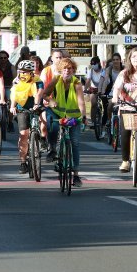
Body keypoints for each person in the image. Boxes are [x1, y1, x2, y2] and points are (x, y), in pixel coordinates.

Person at [43, 57, 87, 187]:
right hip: (57, 112)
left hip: (73, 117)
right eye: (64, 69)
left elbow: (81, 102)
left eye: (70, 68)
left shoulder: (77, 83)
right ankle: (53, 149)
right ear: (60, 70)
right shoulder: (56, 80)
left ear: (73, 70)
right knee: (53, 126)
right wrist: (51, 101)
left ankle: (76, 175)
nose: (67, 71)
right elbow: (45, 94)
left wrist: (83, 116)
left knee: (75, 143)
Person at [111, 47, 137, 172]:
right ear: (130, 59)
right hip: (127, 105)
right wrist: (115, 97)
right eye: (134, 56)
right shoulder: (124, 73)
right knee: (125, 132)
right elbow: (117, 89)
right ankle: (125, 161)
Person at [9, 59, 44, 174]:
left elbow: (39, 92)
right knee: (24, 134)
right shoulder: (16, 81)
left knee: (43, 122)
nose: (24, 73)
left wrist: (36, 104)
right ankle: (23, 161)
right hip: (21, 108)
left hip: (35, 106)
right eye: (22, 71)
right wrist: (12, 106)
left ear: (32, 72)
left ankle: (41, 141)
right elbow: (14, 94)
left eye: (27, 71)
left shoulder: (37, 80)